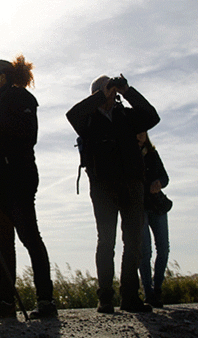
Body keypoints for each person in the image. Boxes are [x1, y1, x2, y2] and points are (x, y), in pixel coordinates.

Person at [0, 55, 57, 319]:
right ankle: (6, 302)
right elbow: (5, 140)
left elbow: (28, 135)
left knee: (29, 236)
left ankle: (45, 301)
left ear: (2, 76)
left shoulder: (21, 98)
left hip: (17, 178)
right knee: (4, 242)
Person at [66, 74, 160, 313]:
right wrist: (100, 95)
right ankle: (105, 297)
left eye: (113, 90)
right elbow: (71, 115)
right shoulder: (87, 121)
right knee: (106, 242)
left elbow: (152, 116)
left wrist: (127, 90)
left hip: (132, 184)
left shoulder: (126, 116)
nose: (112, 94)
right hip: (103, 186)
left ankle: (129, 297)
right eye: (109, 90)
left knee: (134, 242)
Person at [137, 131, 171, 308]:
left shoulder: (153, 154)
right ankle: (148, 293)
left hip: (157, 205)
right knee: (145, 251)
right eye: (137, 132)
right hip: (140, 206)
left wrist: (159, 183)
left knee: (164, 249)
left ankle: (157, 288)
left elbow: (165, 177)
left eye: (143, 132)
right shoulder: (129, 153)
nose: (140, 135)